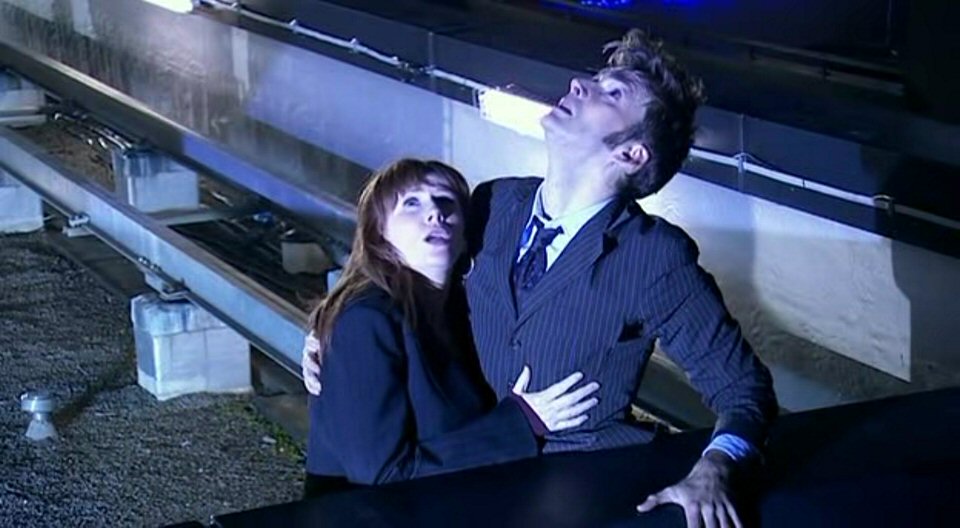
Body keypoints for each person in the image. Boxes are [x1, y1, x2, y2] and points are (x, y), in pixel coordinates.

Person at [305, 30, 778, 527]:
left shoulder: (654, 256)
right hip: (461, 478)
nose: (579, 85)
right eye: (594, 79)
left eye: (612, 92)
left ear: (631, 154)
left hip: (579, 487)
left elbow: (743, 389)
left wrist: (715, 467)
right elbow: (407, 281)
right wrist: (329, 337)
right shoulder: (492, 205)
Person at [303, 159, 600, 496]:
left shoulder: (461, 309)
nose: (435, 213)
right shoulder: (367, 319)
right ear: (378, 232)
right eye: (411, 203)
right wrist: (521, 423)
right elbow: (382, 473)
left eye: (446, 201)